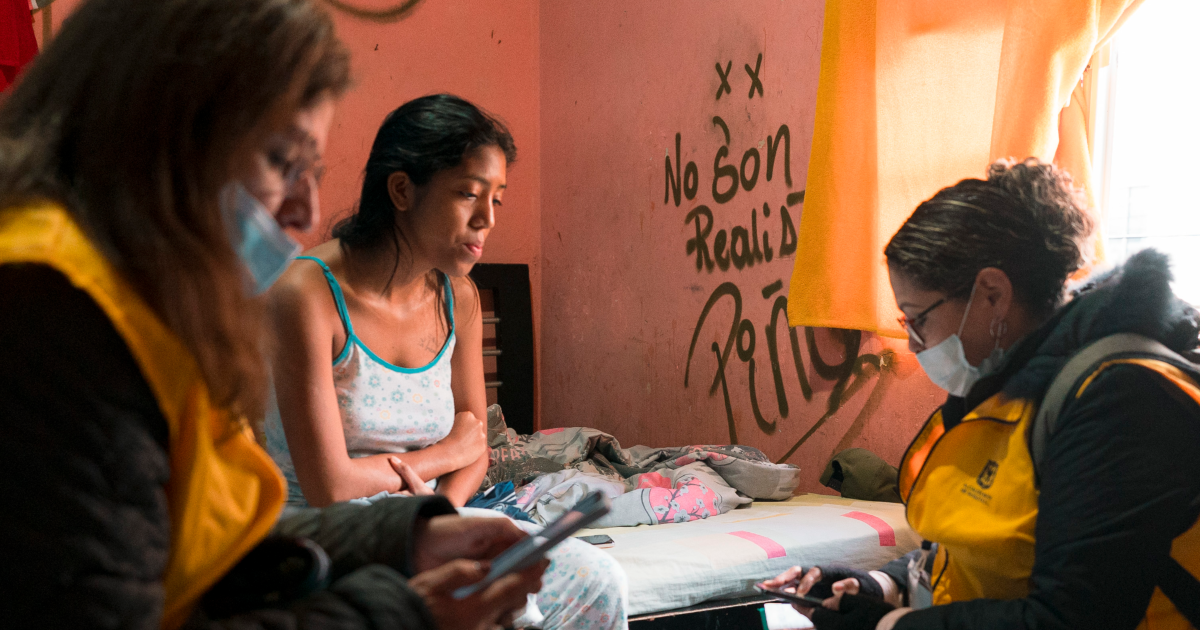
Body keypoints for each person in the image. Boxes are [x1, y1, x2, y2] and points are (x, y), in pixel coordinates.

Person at [0, 2, 546, 628]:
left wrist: (407, 538)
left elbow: (216, 544)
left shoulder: (153, 306)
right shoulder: (50, 317)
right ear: (163, 140)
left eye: (312, 172)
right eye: (281, 163)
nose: (306, 213)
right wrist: (398, 612)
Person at [764, 159, 1200, 630]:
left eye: (919, 319)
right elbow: (974, 557)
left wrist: (889, 625)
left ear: (992, 294)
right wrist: (880, 585)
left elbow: (1071, 616)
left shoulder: (1121, 397)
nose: (913, 343)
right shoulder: (1002, 386)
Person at [264, 93, 629, 630]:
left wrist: (444, 513)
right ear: (402, 190)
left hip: (428, 517)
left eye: (497, 200)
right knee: (485, 609)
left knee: (596, 579)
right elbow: (331, 485)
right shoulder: (307, 294)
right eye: (467, 194)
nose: (486, 220)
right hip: (319, 530)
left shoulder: (457, 297)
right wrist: (443, 455)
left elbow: (475, 452)